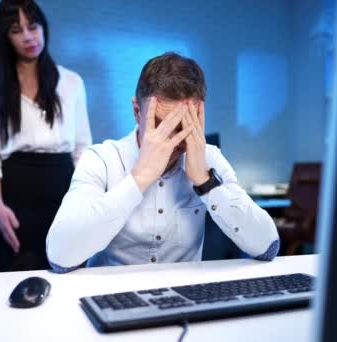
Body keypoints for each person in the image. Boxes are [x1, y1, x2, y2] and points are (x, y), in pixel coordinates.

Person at [45, 52, 279, 273]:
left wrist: (206, 183)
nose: (173, 139)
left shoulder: (210, 158)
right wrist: (139, 179)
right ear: (137, 111)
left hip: (183, 301)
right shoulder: (101, 159)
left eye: (184, 125)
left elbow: (267, 246)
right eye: (161, 124)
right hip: (108, 299)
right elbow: (59, 257)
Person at [0, 0, 91, 271]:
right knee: (18, 274)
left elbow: (83, 149)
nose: (28, 36)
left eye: (33, 26)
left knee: (69, 274)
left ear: (43, 27)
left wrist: (87, 199)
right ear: (5, 36)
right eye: (17, 30)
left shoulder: (72, 82)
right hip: (17, 194)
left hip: (65, 190)